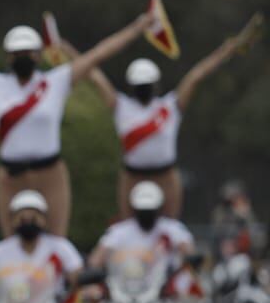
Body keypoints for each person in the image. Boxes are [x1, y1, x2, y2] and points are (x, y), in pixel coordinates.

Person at [0, 11, 153, 237]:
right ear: (8, 57)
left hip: (50, 174)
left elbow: (100, 53)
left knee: (56, 245)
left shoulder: (57, 81)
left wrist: (137, 27)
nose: (23, 58)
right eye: (17, 54)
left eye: (28, 53)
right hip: (10, 177)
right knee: (14, 248)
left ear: (37, 54)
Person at [80, 16, 260, 217]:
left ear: (155, 85)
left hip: (166, 177)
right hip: (132, 177)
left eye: (146, 85)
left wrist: (229, 49)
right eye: (141, 86)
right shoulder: (121, 105)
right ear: (132, 87)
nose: (144, 89)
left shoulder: (171, 106)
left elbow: (197, 75)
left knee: (169, 230)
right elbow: (94, 74)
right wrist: (70, 53)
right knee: (129, 229)